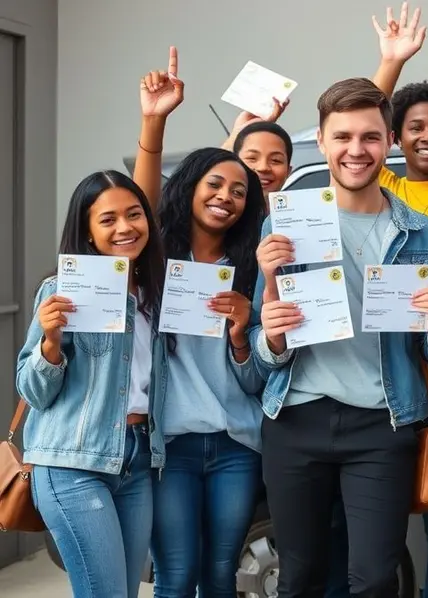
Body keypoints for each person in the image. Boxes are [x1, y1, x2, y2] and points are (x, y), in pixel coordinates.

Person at [248, 76, 428, 597]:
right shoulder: (285, 225)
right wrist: (272, 331)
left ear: (390, 141)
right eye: (342, 137)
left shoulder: (422, 233)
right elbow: (260, 350)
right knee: (298, 579)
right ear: (321, 143)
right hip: (295, 418)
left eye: (369, 137)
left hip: (381, 424)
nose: (355, 150)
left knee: (372, 580)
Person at [132, 58, 270, 597]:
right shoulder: (157, 257)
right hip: (171, 446)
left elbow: (260, 373)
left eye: (240, 192)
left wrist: (241, 333)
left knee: (219, 575)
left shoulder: (254, 268)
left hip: (238, 443)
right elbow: (141, 199)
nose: (227, 198)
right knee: (176, 575)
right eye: (216, 184)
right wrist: (154, 121)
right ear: (190, 186)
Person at [17, 170, 169, 598]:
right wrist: (49, 342)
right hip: (72, 462)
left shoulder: (154, 294)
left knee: (124, 592)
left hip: (138, 460)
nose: (125, 227)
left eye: (135, 214)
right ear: (87, 230)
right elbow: (32, 391)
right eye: (108, 219)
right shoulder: (61, 290)